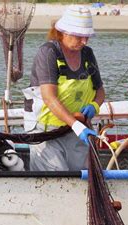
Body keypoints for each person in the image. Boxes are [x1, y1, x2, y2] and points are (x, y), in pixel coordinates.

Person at [25, 5, 105, 171]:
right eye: (79, 36)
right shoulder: (48, 53)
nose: (84, 42)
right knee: (56, 179)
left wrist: (94, 106)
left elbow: (100, 91)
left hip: (76, 130)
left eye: (87, 37)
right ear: (64, 32)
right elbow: (49, 97)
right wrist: (76, 125)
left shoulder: (87, 54)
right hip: (46, 132)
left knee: (82, 176)